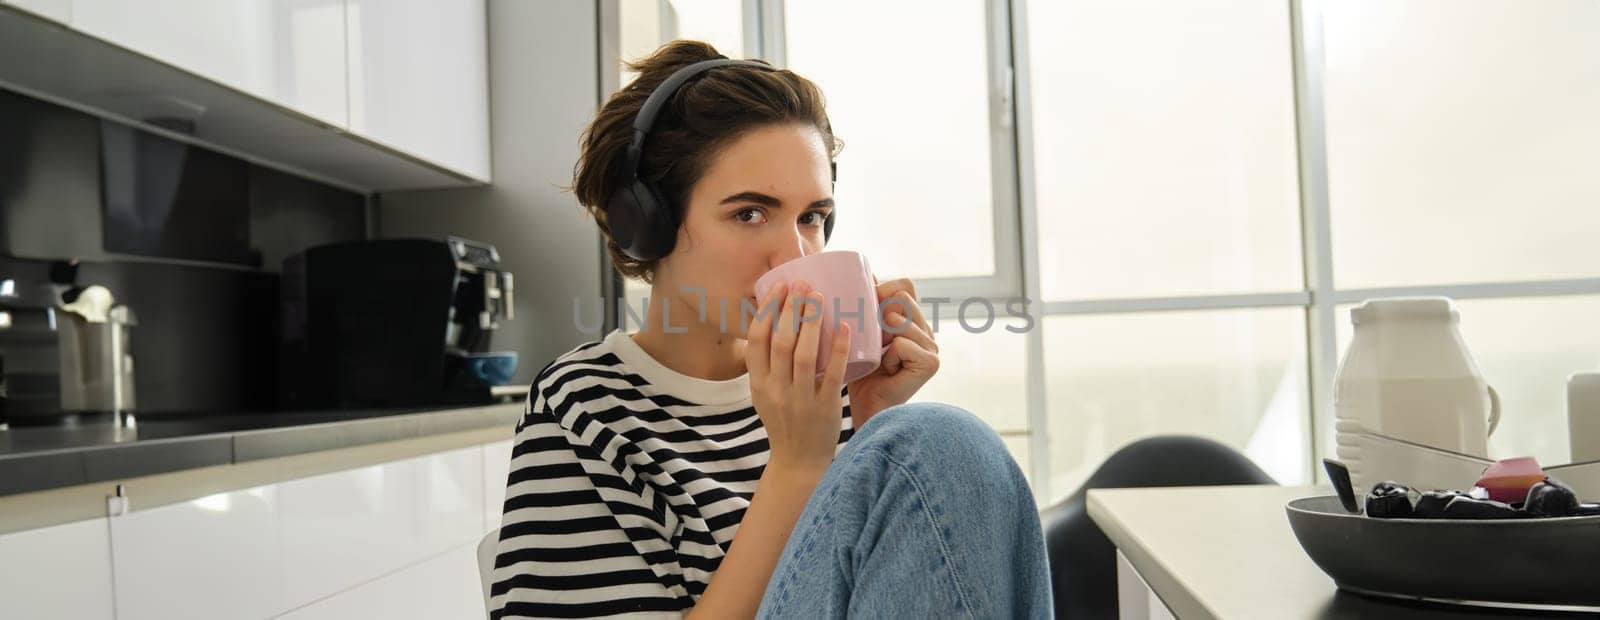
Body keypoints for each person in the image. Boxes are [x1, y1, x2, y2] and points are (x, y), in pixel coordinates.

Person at [487, 40, 1051, 619]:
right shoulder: (582, 406)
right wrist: (797, 465)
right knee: (939, 438)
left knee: (932, 436)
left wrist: (873, 424)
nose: (795, 253)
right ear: (646, 224)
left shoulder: (824, 390)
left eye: (812, 217)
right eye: (749, 213)